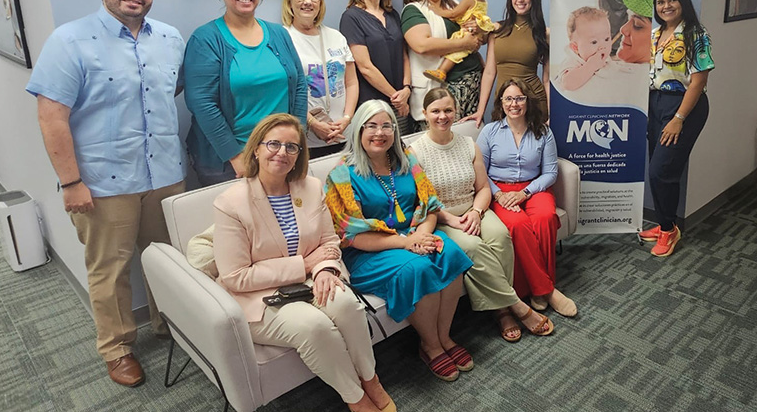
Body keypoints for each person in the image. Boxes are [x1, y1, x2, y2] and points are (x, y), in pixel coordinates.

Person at [25, 0, 186, 387]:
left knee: (168, 262)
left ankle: (169, 325)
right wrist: (71, 181)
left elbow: (171, 92)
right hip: (101, 182)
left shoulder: (170, 38)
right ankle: (117, 349)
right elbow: (51, 116)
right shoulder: (69, 40)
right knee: (109, 270)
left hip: (165, 174)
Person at [213, 114, 395, 412]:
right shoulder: (231, 203)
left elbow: (329, 241)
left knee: (347, 305)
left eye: (291, 147)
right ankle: (355, 397)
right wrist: (306, 264)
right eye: (273, 144)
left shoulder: (310, 187)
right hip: (259, 298)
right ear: (256, 149)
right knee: (315, 326)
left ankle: (370, 378)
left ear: (299, 154)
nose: (282, 153)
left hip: (310, 279)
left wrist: (324, 269)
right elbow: (235, 276)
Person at [325, 100, 474, 382]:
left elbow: (429, 205)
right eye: (371, 126)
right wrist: (407, 243)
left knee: (451, 252)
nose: (379, 133)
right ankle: (429, 345)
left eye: (386, 126)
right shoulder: (342, 175)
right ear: (358, 129)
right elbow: (352, 235)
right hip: (371, 251)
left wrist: (423, 234)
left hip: (416, 236)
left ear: (395, 130)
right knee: (418, 268)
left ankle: (444, 337)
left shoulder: (406, 158)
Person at [411, 88, 553, 341]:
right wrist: (451, 219)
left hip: (475, 208)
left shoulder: (468, 144)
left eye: (448, 110)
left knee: (500, 237)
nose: (442, 116)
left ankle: (501, 306)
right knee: (474, 247)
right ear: (424, 114)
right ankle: (510, 309)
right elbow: (422, 201)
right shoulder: (415, 152)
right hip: (441, 218)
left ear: (456, 112)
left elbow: (484, 188)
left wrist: (477, 212)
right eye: (435, 111)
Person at [184, 0, 307, 186]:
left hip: (280, 156)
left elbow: (299, 84)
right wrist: (235, 156)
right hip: (230, 162)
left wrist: (296, 144)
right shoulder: (206, 39)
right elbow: (201, 102)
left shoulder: (278, 34)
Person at [478, 79, 577, 317]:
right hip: (499, 190)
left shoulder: (543, 132)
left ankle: (537, 289)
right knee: (517, 224)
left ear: (527, 101)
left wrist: (525, 192)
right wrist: (499, 194)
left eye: (520, 98)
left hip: (534, 188)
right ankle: (546, 290)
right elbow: (479, 170)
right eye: (509, 99)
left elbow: (551, 172)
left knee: (545, 217)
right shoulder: (489, 132)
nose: (515, 104)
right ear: (501, 103)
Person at [638, 0, 714, 257]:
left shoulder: (696, 34)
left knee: (662, 171)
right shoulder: (655, 34)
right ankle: (663, 224)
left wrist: (679, 117)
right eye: (661, 2)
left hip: (685, 107)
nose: (666, 6)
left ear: (682, 2)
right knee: (657, 170)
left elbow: (698, 81)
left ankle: (669, 231)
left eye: (672, 0)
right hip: (655, 104)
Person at [282, 0, 358, 158]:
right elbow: (284, 93)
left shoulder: (336, 37)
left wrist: (347, 119)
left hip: (344, 134)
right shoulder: (282, 38)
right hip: (306, 139)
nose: (308, 1)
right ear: (289, 1)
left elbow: (351, 82)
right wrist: (313, 123)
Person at [401, 0, 483, 125]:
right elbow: (422, 45)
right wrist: (463, 44)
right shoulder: (414, 10)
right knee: (443, 138)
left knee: (467, 139)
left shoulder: (455, 5)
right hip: (439, 90)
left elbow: (479, 38)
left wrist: (477, 29)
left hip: (471, 83)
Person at [339, 0, 412, 133]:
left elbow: (404, 55)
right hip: (373, 105)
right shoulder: (351, 17)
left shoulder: (393, 14)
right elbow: (365, 67)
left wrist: (407, 89)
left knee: (402, 153)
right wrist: (395, 97)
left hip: (401, 101)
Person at [470, 0, 549, 127]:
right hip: (504, 104)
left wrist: (553, 115)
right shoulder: (497, 29)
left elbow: (547, 80)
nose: (519, 0)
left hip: (533, 104)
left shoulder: (544, 34)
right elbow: (489, 72)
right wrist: (480, 111)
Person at [422, 0, 497, 83]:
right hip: (477, 33)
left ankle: (442, 71)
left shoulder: (469, 0)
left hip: (468, 33)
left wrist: (438, 11)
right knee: (465, 52)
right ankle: (482, 65)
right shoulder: (483, 1)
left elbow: (453, 14)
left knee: (456, 52)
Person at [557, 6, 612, 91]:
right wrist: (590, 66)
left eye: (607, 39)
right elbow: (568, 84)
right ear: (575, 47)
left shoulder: (604, 58)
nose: (603, 46)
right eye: (594, 42)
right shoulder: (573, 62)